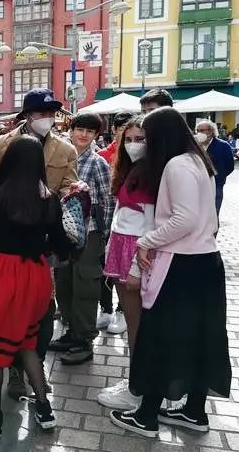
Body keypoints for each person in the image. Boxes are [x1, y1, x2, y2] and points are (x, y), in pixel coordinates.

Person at [110, 107, 231, 438]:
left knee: (159, 337)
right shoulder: (198, 162)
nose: (143, 144)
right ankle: (194, 411)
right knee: (200, 338)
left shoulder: (177, 166)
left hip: (180, 264)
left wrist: (147, 241)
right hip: (205, 260)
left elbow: (184, 218)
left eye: (147, 137)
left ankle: (147, 415)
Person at [0, 136, 75, 439]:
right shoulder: (49, 199)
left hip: (2, 274)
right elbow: (61, 244)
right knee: (27, 343)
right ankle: (44, 409)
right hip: (36, 276)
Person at [0, 88, 79, 398]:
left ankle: (34, 369)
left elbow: (69, 189)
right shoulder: (0, 144)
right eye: (42, 114)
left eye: (51, 114)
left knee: (41, 314)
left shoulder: (65, 150)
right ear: (27, 116)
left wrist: (69, 199)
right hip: (4, 246)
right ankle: (18, 372)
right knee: (5, 315)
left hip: (40, 249)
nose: (48, 119)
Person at [95, 117, 159, 411]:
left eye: (140, 138)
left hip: (139, 251)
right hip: (123, 246)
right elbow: (122, 211)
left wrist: (135, 261)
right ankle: (139, 380)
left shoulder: (154, 173)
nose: (134, 144)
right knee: (134, 318)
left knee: (138, 321)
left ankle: (139, 386)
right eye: (129, 139)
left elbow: (152, 221)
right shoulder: (128, 168)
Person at [48, 112, 113, 366]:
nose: (84, 135)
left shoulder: (97, 163)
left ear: (96, 135)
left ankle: (84, 339)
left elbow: (107, 201)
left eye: (90, 131)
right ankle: (71, 333)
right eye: (80, 129)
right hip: (63, 231)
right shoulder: (61, 157)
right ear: (71, 129)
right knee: (64, 282)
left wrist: (104, 236)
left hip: (90, 232)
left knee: (85, 285)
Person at [96, 111, 136, 332]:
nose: (123, 133)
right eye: (120, 128)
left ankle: (121, 311)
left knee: (124, 268)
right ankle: (106, 308)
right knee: (104, 267)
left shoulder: (139, 157)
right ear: (114, 129)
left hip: (128, 223)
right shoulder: (103, 154)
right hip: (105, 220)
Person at [195, 120, 235, 215]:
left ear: (211, 131)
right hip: (197, 185)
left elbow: (230, 166)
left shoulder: (223, 146)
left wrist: (219, 176)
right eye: (198, 131)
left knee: (213, 214)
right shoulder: (194, 145)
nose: (199, 133)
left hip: (216, 184)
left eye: (202, 130)